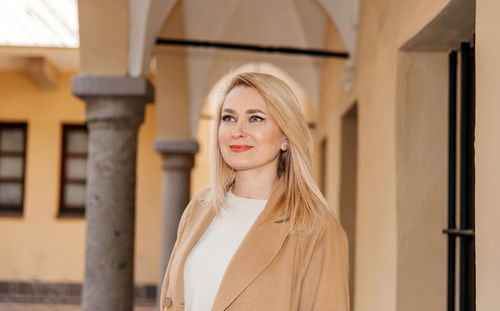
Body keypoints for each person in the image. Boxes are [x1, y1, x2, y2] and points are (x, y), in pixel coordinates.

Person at [160, 72, 349, 311]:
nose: (237, 131)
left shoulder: (317, 228)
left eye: (256, 119)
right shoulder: (199, 208)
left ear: (286, 136)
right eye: (228, 118)